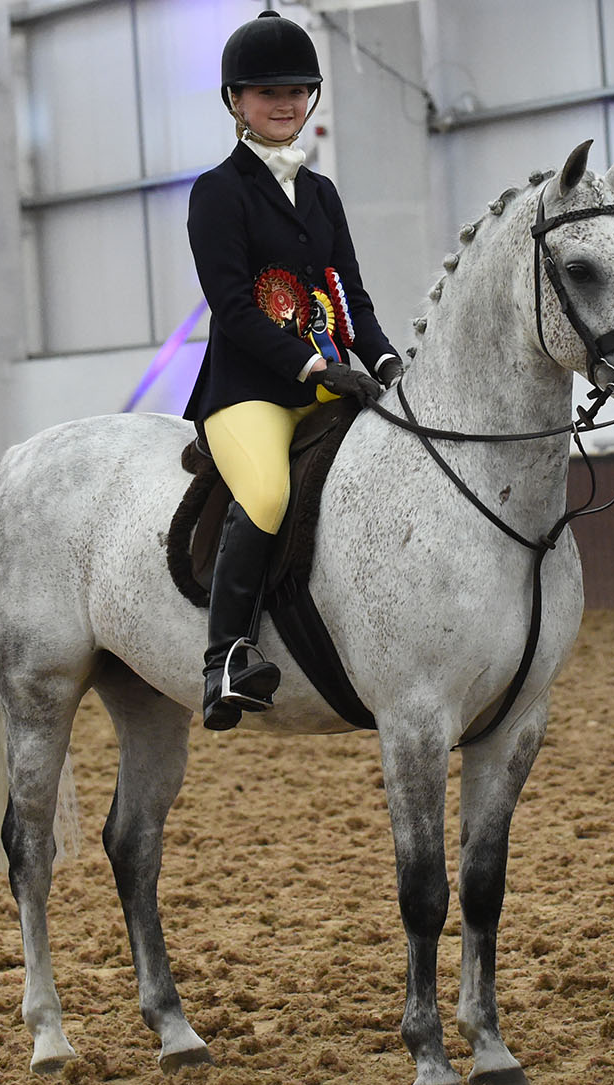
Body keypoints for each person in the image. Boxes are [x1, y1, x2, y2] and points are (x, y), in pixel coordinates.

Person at [183, 9, 401, 732]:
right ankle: (226, 659)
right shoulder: (218, 191)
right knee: (271, 494)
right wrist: (312, 365)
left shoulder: (321, 192)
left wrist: (387, 359)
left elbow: (350, 296)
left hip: (330, 378)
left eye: (297, 90)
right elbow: (235, 311)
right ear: (236, 102)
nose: (284, 103)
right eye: (266, 91)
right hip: (250, 391)